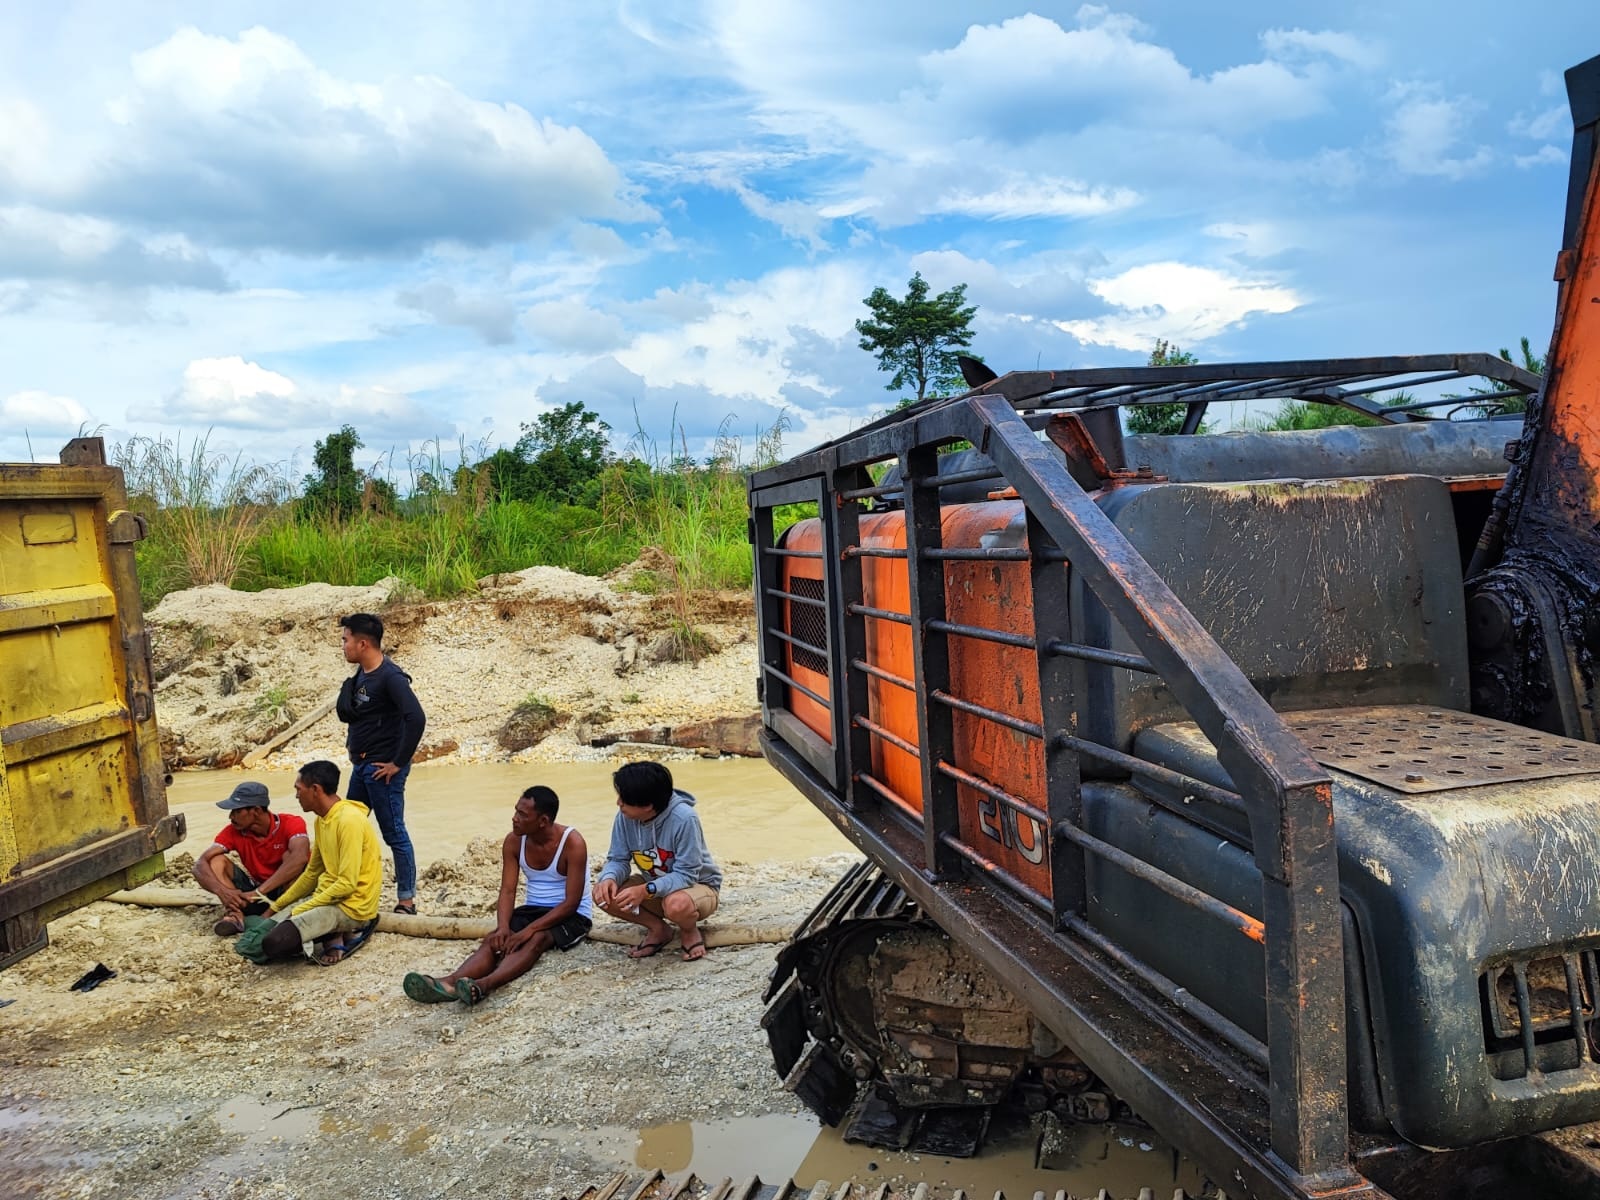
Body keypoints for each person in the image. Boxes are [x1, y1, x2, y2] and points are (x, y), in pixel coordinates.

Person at [403, 785, 591, 1007]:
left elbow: (571, 903)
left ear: (543, 821)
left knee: (537, 938)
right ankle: (450, 983)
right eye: (515, 811)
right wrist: (503, 926)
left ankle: (483, 985)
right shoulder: (514, 841)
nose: (514, 818)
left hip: (572, 915)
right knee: (496, 939)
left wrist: (529, 930)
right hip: (533, 909)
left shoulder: (573, 842)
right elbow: (508, 890)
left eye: (522, 815)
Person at [335, 611, 426, 915]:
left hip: (381, 770)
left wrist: (398, 763)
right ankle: (352, 890)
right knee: (351, 829)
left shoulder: (391, 677)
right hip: (361, 768)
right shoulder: (363, 673)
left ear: (363, 644)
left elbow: (416, 718)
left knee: (394, 833)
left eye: (346, 640)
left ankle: (406, 901)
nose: (343, 645)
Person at [592, 762, 722, 962]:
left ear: (647, 806)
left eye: (624, 799)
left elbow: (687, 875)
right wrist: (608, 878)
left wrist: (644, 890)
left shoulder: (685, 819)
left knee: (676, 905)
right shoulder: (625, 817)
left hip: (697, 887)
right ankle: (659, 929)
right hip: (654, 886)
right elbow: (618, 859)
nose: (619, 803)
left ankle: (688, 930)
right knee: (603, 894)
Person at [259, 760, 383, 965]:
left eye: (299, 790)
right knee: (270, 932)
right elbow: (312, 873)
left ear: (315, 789)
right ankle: (332, 934)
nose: (297, 796)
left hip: (352, 907)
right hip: (329, 898)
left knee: (274, 943)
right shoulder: (322, 820)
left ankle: (347, 931)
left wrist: (300, 909)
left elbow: (347, 884)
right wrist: (274, 907)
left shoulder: (348, 821)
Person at [193, 781, 311, 936]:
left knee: (290, 856)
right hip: (255, 894)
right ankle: (235, 914)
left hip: (288, 892)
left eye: (236, 811)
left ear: (255, 810)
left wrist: (259, 892)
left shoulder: (291, 823)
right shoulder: (233, 831)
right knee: (216, 860)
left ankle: (282, 913)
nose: (231, 816)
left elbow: (300, 858)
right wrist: (224, 892)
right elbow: (199, 864)